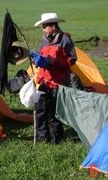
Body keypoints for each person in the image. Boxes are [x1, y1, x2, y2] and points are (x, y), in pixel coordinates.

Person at [29, 12, 78, 144]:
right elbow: (40, 55)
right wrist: (36, 59)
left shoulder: (65, 40)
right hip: (44, 80)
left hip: (59, 81)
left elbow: (72, 60)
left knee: (55, 111)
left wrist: (54, 62)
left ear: (53, 26)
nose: (43, 29)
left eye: (45, 26)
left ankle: (56, 137)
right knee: (41, 110)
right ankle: (41, 138)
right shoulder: (44, 40)